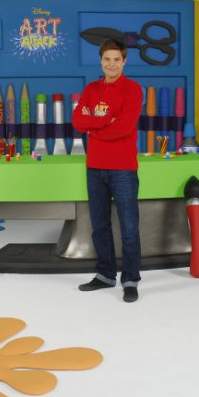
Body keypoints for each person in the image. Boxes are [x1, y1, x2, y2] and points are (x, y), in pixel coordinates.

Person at [71, 38, 143, 303]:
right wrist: (104, 121)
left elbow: (124, 127)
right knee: (99, 226)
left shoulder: (132, 90)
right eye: (106, 59)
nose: (111, 64)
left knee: (129, 228)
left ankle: (131, 280)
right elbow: (78, 121)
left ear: (124, 61)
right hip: (94, 168)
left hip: (123, 168)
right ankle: (105, 275)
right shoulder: (91, 89)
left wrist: (94, 127)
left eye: (116, 59)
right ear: (101, 61)